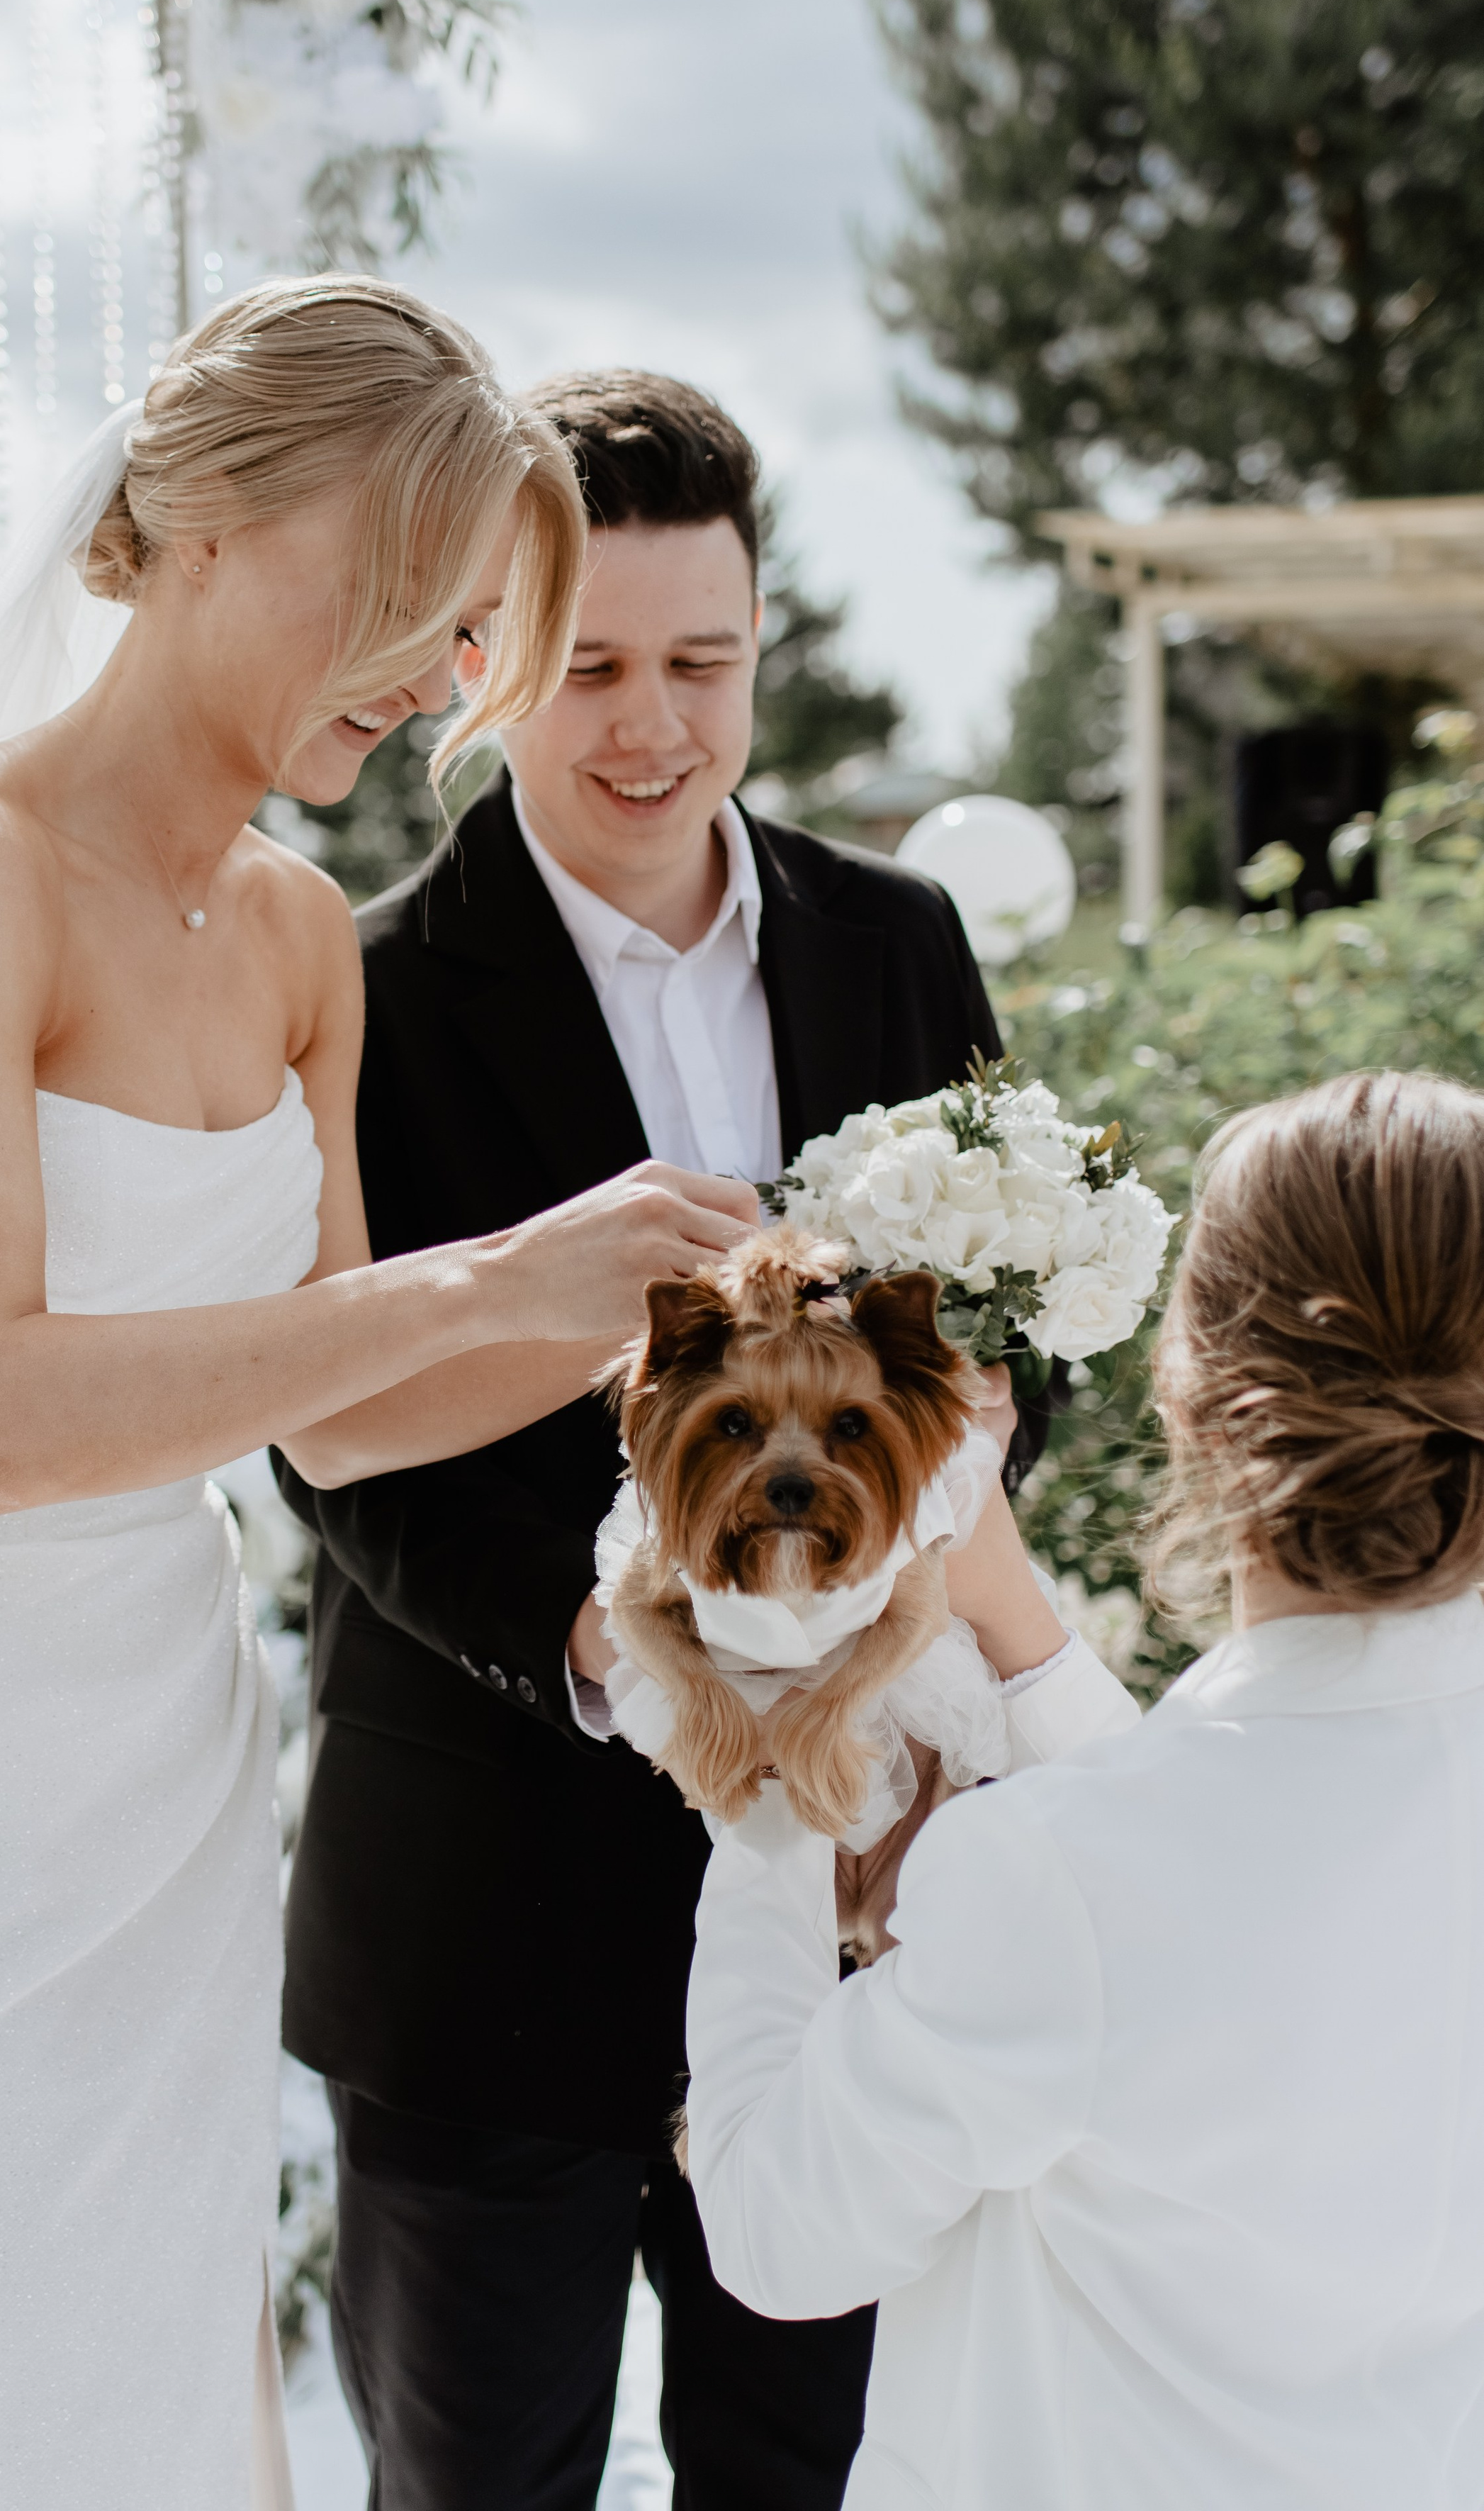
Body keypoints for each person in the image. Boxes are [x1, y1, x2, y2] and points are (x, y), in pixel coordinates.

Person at [0, 281, 767, 2511]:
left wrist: (696, 1330)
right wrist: (492, 1274)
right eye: (395, 600)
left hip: (163, 1794)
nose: (434, 677)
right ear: (193, 525)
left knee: (158, 2401)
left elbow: (344, 1423)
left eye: (468, 628)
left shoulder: (287, 936)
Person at [276, 370, 1124, 2510]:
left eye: (704, 664)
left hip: (868, 1919)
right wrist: (608, 1661)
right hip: (490, 1937)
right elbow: (330, 1432)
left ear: (764, 650)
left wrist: (954, 1518)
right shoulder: (362, 988)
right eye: (593, 669)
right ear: (486, 660)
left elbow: (1017, 1325)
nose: (652, 725)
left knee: (822, 2483)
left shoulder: (895, 941)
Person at [686, 1067, 1484, 2511]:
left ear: (1185, 1385)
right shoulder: (1128, 1849)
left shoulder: (1059, 1876)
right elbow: (1220, 1875)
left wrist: (767, 1760)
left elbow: (771, 2223)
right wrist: (1009, 1619)